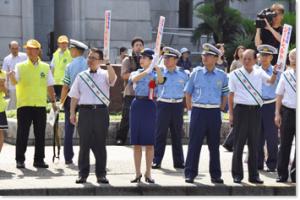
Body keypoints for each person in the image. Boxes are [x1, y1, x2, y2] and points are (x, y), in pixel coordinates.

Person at [228, 49, 278, 184]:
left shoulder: (259, 72)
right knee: (238, 144)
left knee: (254, 144)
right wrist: (231, 114)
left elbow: (270, 82)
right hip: (240, 111)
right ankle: (237, 175)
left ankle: (254, 175)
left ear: (255, 60)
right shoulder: (235, 74)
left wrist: (275, 72)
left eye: (249, 59)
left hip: (256, 110)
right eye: (244, 58)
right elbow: (231, 95)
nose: (246, 61)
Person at [69, 48, 117, 184]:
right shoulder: (81, 75)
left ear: (100, 61)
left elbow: (113, 80)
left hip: (101, 112)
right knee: (84, 144)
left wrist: (108, 64)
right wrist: (72, 113)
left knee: (100, 144)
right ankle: (82, 174)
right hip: (84, 112)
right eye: (89, 57)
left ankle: (101, 174)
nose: (90, 60)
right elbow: (74, 96)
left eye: (93, 58)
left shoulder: (106, 74)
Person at [8, 39, 57, 169]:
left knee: (40, 134)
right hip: (24, 105)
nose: (29, 51)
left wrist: (53, 102)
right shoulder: (20, 66)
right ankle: (20, 160)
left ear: (38, 50)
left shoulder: (45, 67)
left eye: (32, 48)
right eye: (28, 48)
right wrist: (11, 76)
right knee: (22, 134)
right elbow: (14, 83)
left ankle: (39, 160)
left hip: (40, 106)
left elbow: (50, 86)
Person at [184, 43, 228, 184]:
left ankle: (215, 175)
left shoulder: (221, 75)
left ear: (216, 58)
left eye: (208, 55)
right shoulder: (195, 73)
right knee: (194, 144)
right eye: (204, 55)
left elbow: (225, 94)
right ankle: (190, 173)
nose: (205, 57)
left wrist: (221, 109)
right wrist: (191, 109)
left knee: (214, 146)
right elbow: (188, 92)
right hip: (198, 110)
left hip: (214, 112)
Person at [129, 48, 164, 184]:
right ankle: (137, 173)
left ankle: (148, 172)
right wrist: (146, 71)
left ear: (151, 60)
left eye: (145, 58)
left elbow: (161, 81)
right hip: (137, 104)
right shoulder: (136, 72)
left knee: (149, 142)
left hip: (150, 106)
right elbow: (133, 80)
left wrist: (157, 68)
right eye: (141, 57)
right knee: (136, 142)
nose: (141, 59)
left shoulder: (154, 74)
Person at [152, 47, 188, 170]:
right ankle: (156, 160)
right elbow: (156, 84)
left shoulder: (184, 74)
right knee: (160, 134)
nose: (166, 60)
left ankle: (179, 161)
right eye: (165, 57)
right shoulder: (160, 72)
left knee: (177, 134)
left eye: (169, 58)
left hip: (177, 105)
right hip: (163, 104)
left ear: (176, 60)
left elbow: (189, 90)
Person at [60, 39, 88, 165]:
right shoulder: (89, 63)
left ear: (76, 51)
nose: (70, 51)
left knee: (69, 128)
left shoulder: (69, 65)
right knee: (85, 128)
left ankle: (68, 157)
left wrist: (61, 102)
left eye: (71, 49)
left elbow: (65, 86)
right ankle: (84, 156)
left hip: (71, 97)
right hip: (86, 99)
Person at [116, 37, 144, 145]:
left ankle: (141, 138)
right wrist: (139, 74)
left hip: (143, 92)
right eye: (136, 45)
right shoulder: (127, 60)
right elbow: (124, 75)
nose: (139, 47)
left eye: (140, 45)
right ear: (132, 47)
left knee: (142, 117)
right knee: (126, 116)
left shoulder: (146, 59)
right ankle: (120, 138)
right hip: (130, 92)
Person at [256, 45, 280, 172]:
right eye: (262, 55)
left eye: (267, 55)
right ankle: (258, 163)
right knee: (256, 137)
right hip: (256, 105)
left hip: (271, 105)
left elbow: (281, 91)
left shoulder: (278, 72)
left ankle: (272, 164)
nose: (264, 58)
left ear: (271, 57)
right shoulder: (254, 71)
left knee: (272, 137)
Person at [275, 48, 296, 183]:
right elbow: (279, 94)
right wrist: (277, 113)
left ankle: (295, 174)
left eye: (295, 57)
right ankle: (282, 174)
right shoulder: (286, 75)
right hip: (287, 112)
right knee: (284, 145)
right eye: (291, 57)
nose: (292, 60)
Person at [2, 41, 27, 110]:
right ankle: (12, 116)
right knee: (13, 103)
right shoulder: (7, 59)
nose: (15, 50)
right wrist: (5, 87)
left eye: (16, 48)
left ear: (19, 48)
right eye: (13, 48)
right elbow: (4, 74)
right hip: (12, 86)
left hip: (24, 85)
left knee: (23, 103)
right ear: (10, 49)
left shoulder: (25, 56)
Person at [50, 35, 72, 101]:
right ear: (58, 44)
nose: (64, 45)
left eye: (65, 43)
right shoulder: (55, 54)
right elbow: (52, 68)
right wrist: (50, 80)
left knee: (65, 101)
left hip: (66, 82)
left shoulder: (70, 54)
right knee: (56, 101)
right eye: (62, 43)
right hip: (56, 82)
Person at [0, 70, 8, 153]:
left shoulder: (3, 73)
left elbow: (6, 92)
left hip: (0, 108)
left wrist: (2, 86)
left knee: (0, 132)